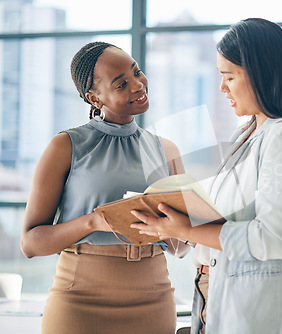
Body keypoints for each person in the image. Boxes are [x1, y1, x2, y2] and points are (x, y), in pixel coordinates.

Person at [130, 18, 282, 334]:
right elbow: (227, 221)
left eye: (229, 77)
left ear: (262, 74)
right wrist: (175, 218)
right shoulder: (246, 135)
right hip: (217, 302)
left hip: (263, 315)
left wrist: (187, 228)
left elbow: (273, 238)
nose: (222, 87)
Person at [20, 41, 190, 334]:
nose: (138, 85)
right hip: (79, 299)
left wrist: (178, 227)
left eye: (137, 72)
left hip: (153, 298)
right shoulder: (66, 146)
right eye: (121, 83)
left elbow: (181, 248)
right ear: (94, 98)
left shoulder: (167, 151)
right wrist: (94, 221)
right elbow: (31, 243)